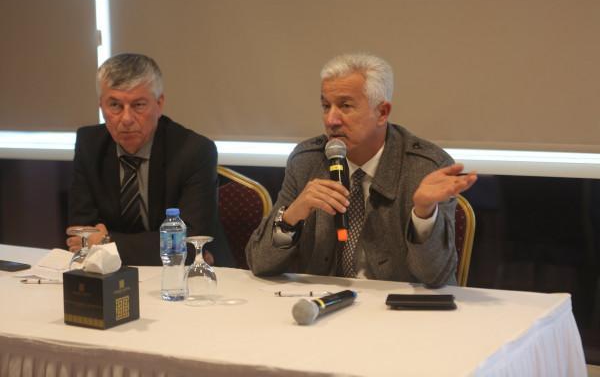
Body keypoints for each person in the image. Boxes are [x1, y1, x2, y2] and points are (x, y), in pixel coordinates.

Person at [246, 53, 477, 286]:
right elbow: (260, 262)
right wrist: (291, 216)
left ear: (382, 112)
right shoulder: (306, 161)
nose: (331, 120)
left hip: (397, 305)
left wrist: (424, 213)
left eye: (345, 106)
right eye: (326, 106)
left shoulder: (425, 167)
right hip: (325, 300)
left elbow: (436, 277)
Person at [67, 53, 234, 266]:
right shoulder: (89, 145)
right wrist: (152, 245)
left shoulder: (194, 151)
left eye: (138, 105)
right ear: (101, 106)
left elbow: (191, 243)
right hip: (112, 271)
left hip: (191, 274)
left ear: (159, 103)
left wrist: (109, 242)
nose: (126, 119)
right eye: (115, 105)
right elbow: (80, 235)